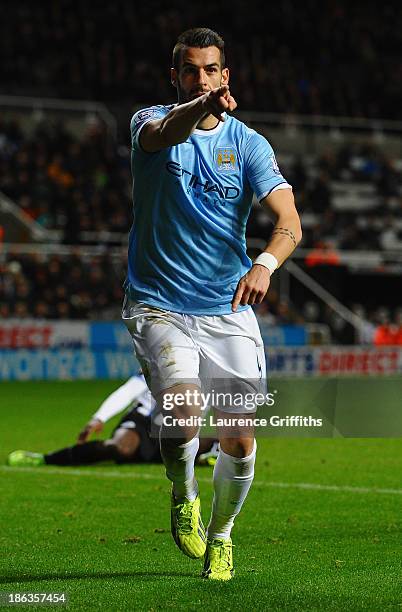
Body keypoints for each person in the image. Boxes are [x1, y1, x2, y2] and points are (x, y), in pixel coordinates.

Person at [122, 28, 302, 580]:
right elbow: (166, 131)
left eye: (210, 70)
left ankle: (221, 534)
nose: (200, 78)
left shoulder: (248, 143)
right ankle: (183, 493)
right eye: (189, 70)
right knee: (180, 406)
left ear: (226, 76)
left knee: (240, 437)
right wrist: (199, 105)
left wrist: (264, 265)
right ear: (174, 77)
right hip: (159, 303)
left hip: (225, 308)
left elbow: (289, 223)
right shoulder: (148, 124)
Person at [7, 374, 219, 468]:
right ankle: (46, 459)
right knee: (120, 448)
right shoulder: (165, 362)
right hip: (143, 422)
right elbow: (129, 390)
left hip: (176, 432)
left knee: (233, 440)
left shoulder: (214, 376)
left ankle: (209, 454)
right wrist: (98, 418)